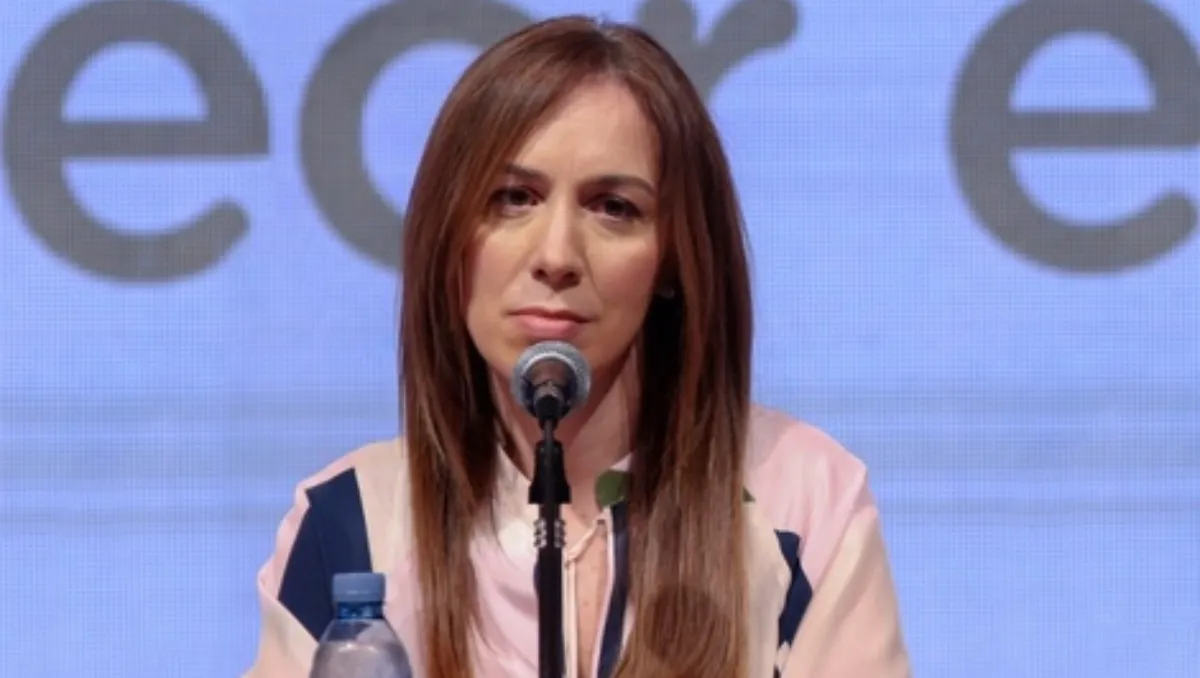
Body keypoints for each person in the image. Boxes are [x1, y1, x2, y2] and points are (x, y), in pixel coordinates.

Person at [245, 14, 910, 678]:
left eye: (613, 207)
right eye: (513, 198)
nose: (557, 255)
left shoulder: (802, 497)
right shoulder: (350, 522)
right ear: (447, 239)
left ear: (673, 260)